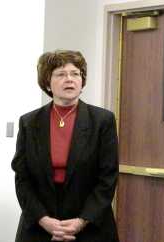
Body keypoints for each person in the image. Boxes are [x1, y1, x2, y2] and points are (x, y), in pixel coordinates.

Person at [11, 50, 119, 242]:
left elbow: (108, 178)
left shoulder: (102, 121)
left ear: (82, 81)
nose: (69, 79)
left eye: (75, 74)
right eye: (61, 74)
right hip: (39, 226)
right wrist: (44, 220)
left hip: (90, 226)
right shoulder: (29, 122)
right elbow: (22, 178)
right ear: (47, 82)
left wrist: (81, 221)